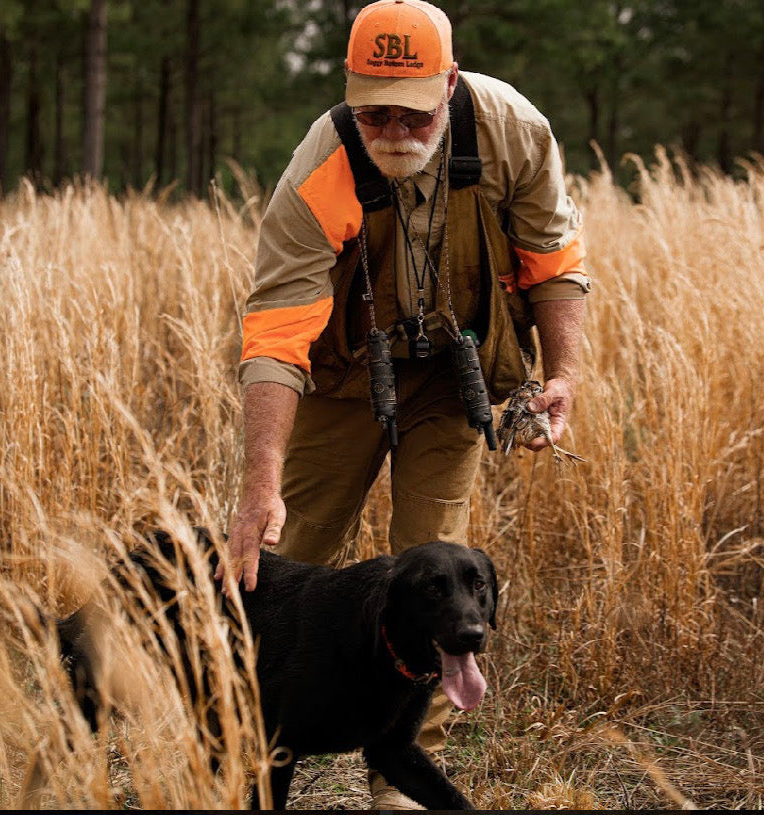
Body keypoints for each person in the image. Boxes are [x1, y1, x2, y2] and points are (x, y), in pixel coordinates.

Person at [217, 0, 589, 807]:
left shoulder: (512, 131)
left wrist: (559, 371)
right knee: (284, 554)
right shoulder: (322, 160)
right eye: (371, 105)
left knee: (434, 562)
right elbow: (278, 330)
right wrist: (260, 481)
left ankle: (398, 774)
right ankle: (246, 746)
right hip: (345, 376)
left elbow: (554, 259)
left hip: (457, 383)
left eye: (410, 108)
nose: (389, 124)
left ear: (449, 84)